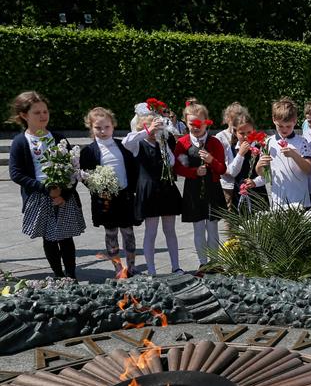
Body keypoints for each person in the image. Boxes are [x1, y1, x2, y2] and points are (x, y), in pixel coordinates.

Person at [8, 91, 85, 279]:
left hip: (63, 196)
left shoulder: (58, 138)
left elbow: (73, 167)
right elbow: (16, 173)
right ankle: (58, 275)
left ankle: (71, 275)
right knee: (49, 238)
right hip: (39, 196)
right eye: (37, 113)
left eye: (45, 111)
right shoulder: (20, 142)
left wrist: (64, 193)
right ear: (24, 116)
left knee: (66, 237)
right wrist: (45, 189)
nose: (43, 116)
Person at [79, 107, 140, 277]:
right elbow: (85, 176)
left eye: (106, 127)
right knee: (111, 232)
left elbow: (133, 169)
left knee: (128, 231)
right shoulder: (89, 151)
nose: (103, 131)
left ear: (113, 126)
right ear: (91, 128)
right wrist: (98, 186)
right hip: (105, 198)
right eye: (98, 128)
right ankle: (118, 268)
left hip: (125, 195)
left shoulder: (124, 146)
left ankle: (132, 266)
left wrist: (133, 190)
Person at [123, 108, 183, 275]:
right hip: (149, 190)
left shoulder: (161, 143)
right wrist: (146, 131)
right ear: (144, 127)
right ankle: (151, 269)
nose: (155, 130)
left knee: (170, 229)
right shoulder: (138, 143)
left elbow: (171, 162)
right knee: (151, 231)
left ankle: (176, 266)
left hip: (166, 190)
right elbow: (126, 142)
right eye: (152, 127)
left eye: (158, 126)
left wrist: (162, 140)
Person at [174, 101, 227, 273]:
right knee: (198, 228)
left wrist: (212, 161)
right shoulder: (182, 143)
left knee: (212, 228)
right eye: (191, 124)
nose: (196, 127)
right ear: (186, 122)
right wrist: (194, 172)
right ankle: (203, 262)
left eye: (199, 124)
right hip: (193, 191)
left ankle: (215, 262)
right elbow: (178, 167)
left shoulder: (215, 143)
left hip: (212, 189)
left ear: (206, 122)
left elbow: (222, 169)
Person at [253, 98, 311, 208]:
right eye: (280, 126)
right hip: (278, 201)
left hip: (300, 200)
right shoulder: (268, 142)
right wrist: (259, 166)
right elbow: (265, 175)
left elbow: (308, 169)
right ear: (274, 120)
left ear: (295, 121)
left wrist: (294, 155)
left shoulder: (302, 142)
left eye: (288, 126)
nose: (284, 130)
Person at [226, 112, 268, 211]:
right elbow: (232, 172)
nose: (246, 137)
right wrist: (240, 154)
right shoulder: (232, 149)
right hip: (239, 193)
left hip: (258, 193)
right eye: (242, 133)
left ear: (254, 131)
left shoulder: (261, 148)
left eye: (249, 132)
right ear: (235, 132)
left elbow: (267, 175)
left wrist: (255, 182)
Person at [217, 102, 250, 213]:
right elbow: (219, 161)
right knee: (231, 216)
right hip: (228, 183)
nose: (236, 121)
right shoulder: (221, 136)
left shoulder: (245, 135)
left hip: (243, 182)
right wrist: (227, 171)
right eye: (233, 119)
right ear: (227, 119)